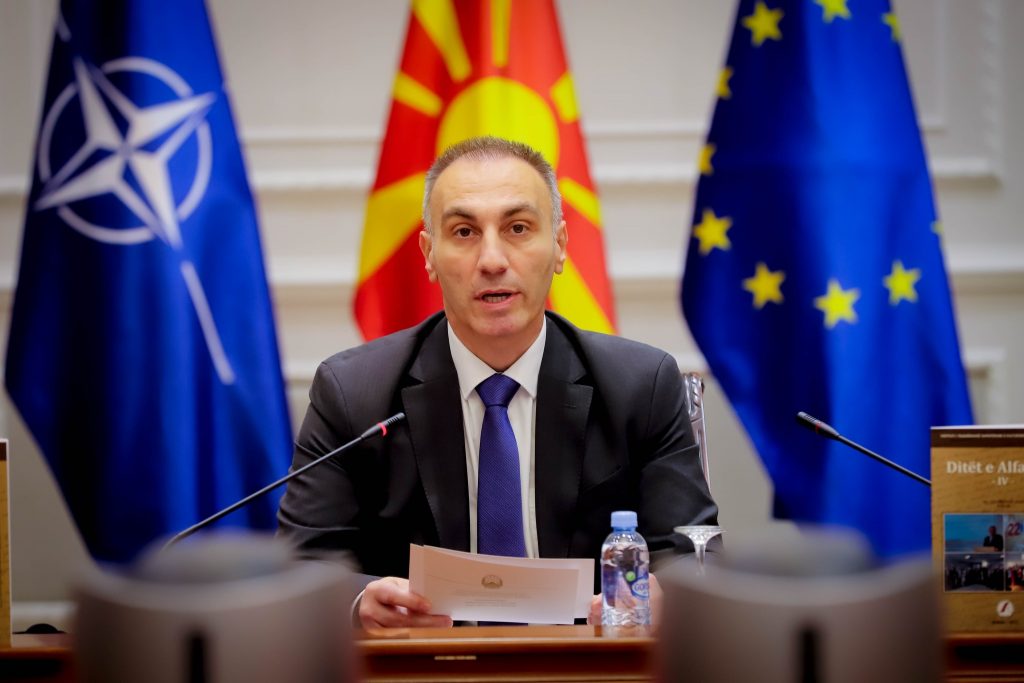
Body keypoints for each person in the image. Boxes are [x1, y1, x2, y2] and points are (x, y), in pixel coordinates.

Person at [277, 136, 719, 628]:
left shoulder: (639, 387)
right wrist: (361, 602)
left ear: (560, 245)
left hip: (587, 661)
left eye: (518, 228)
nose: (492, 260)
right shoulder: (354, 393)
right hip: (424, 664)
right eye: (464, 232)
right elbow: (303, 565)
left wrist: (666, 596)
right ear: (428, 254)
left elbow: (692, 559)